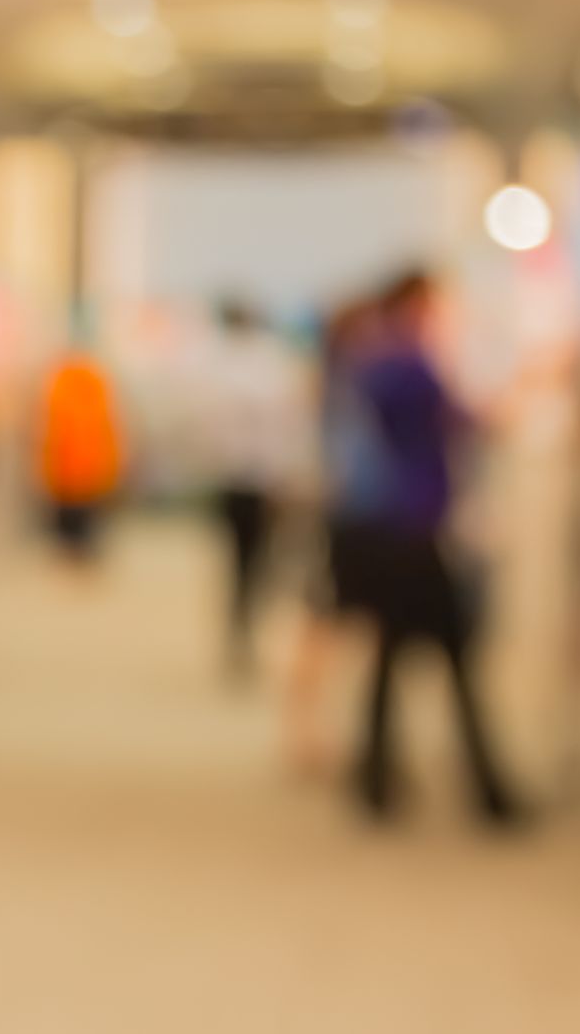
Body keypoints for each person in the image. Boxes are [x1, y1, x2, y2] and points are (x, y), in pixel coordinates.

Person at [349, 270, 523, 827]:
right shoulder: (410, 365)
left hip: (394, 525)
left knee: (391, 657)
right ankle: (487, 791)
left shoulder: (375, 363)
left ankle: (377, 780)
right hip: (417, 530)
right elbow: (459, 421)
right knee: (453, 658)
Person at [283, 294, 387, 773]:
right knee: (324, 633)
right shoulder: (346, 388)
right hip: (347, 524)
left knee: (331, 636)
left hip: (346, 520)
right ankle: (309, 735)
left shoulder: (336, 385)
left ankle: (317, 734)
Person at [194, 298, 311, 684]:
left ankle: (239, 629)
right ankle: (245, 629)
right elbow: (286, 427)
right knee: (257, 563)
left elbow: (210, 427)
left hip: (234, 479)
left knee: (239, 562)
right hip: (260, 481)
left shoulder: (223, 366)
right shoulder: (271, 366)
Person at [37, 346, 123, 562]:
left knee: (79, 516)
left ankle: (76, 550)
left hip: (74, 468)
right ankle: (77, 550)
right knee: (79, 516)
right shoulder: (89, 383)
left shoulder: (64, 383)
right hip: (79, 467)